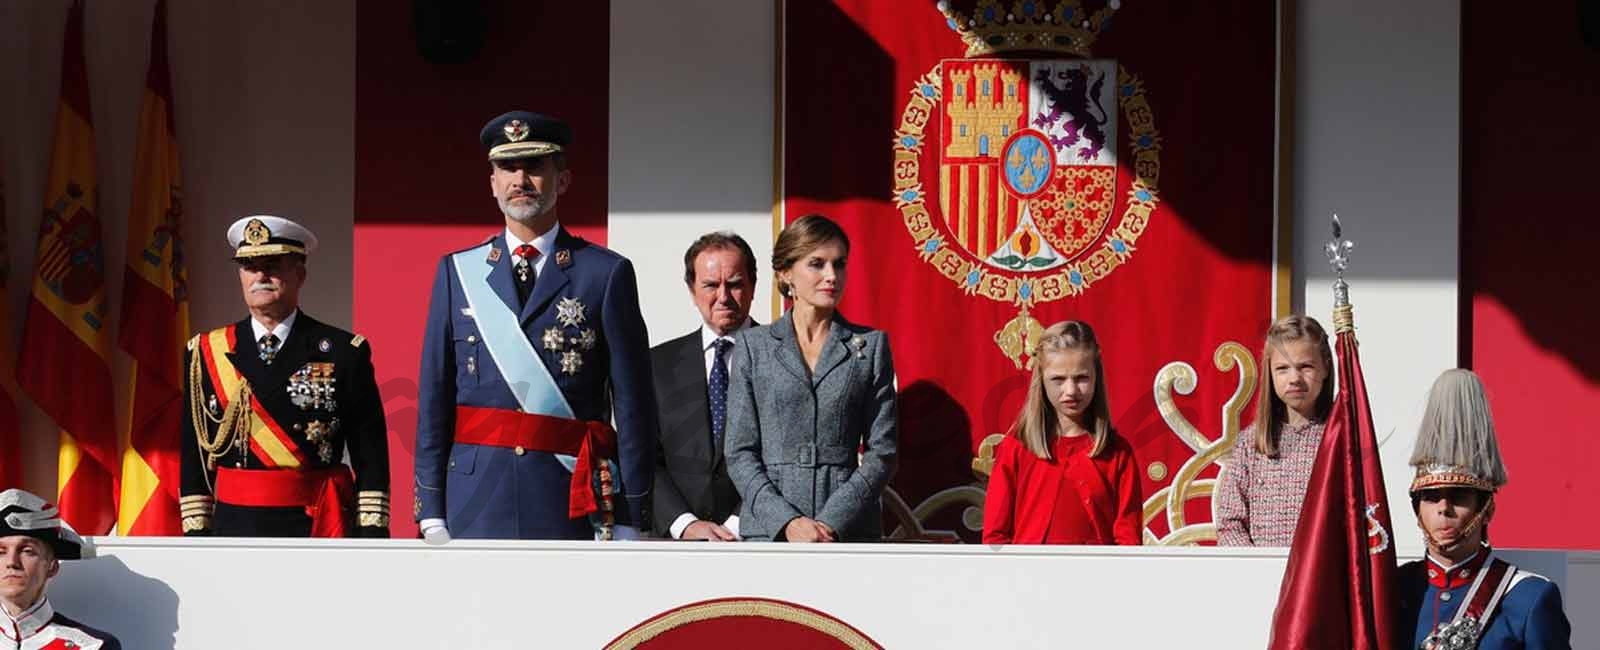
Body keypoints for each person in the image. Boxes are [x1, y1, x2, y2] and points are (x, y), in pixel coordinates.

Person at [413, 111, 656, 540]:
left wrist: (631, 514)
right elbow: (435, 395)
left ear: (562, 180)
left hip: (567, 495)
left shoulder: (605, 273)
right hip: (475, 495)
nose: (520, 179)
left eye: (534, 166)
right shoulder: (457, 273)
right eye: (507, 168)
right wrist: (430, 505)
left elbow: (633, 405)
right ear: (492, 183)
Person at [179, 216, 390, 537]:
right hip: (234, 526)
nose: (260, 275)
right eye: (250, 266)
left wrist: (371, 531)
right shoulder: (205, 351)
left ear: (300, 274)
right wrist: (197, 531)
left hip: (314, 525)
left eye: (273, 265)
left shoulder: (343, 351)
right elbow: (194, 451)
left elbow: (369, 451)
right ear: (240, 275)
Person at [723, 214, 896, 542]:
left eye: (839, 264)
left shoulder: (871, 347)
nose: (832, 276)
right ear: (786, 273)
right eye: (817, 264)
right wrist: (787, 522)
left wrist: (831, 520)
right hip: (770, 532)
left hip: (848, 531)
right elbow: (739, 452)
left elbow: (882, 452)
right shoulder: (753, 346)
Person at [1395, 369, 1571, 649]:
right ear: (1416, 509)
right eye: (1431, 497)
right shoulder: (1392, 591)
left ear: (1487, 509)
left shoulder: (1528, 597)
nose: (1444, 508)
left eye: (1459, 497)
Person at [981, 321, 1143, 545]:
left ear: (1096, 376)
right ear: (1041, 379)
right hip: (1028, 577)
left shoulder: (1116, 453)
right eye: (1058, 379)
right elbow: (995, 538)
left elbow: (1129, 541)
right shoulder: (1017, 448)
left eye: (1081, 378)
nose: (1071, 391)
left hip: (1097, 578)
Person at [651, 232, 758, 541]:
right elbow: (643, 458)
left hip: (759, 541)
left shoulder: (784, 359)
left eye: (735, 284)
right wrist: (684, 524)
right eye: (711, 285)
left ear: (753, 286)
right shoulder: (656, 365)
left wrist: (738, 525)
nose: (723, 296)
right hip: (678, 546)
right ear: (691, 289)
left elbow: (785, 460)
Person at [1214, 314, 1333, 546]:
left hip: (1321, 577)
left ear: (1325, 367)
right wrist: (1257, 567)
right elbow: (1230, 522)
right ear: (1269, 371)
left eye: (1305, 367)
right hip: (1261, 576)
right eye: (1282, 369)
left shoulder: (1341, 438)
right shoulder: (1250, 443)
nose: (1294, 378)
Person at [0, 489, 121, 649]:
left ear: (52, 567)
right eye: (1, 552)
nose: (12, 562)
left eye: (27, 551)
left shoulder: (92, 646)